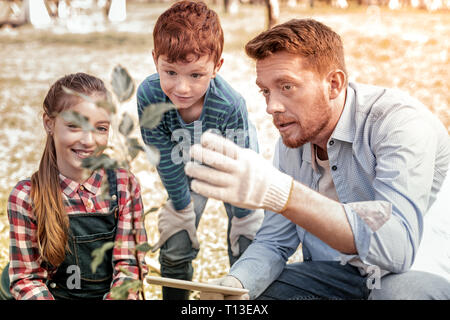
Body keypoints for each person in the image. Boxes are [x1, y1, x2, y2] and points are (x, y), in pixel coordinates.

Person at [185, 19, 450, 300]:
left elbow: (397, 249)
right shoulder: (292, 143)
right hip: (337, 276)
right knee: (254, 296)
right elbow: (275, 242)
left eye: (286, 87)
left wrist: (284, 194)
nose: (271, 107)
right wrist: (236, 283)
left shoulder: (399, 123)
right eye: (265, 91)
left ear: (334, 84)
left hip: (414, 276)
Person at [136, 1, 263, 300]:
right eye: (170, 72)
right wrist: (182, 206)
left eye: (195, 75)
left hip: (232, 166)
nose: (182, 88)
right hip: (185, 166)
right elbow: (162, 153)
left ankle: (241, 295)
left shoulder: (230, 105)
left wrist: (243, 212)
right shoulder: (149, 95)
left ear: (216, 67)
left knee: (247, 235)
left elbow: (241, 165)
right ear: (155, 60)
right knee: (175, 236)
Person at [0, 73, 148, 300]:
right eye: (74, 126)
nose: (89, 141)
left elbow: (129, 266)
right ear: (49, 123)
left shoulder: (124, 186)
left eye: (101, 128)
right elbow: (27, 279)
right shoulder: (26, 196)